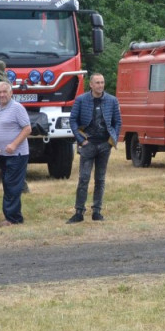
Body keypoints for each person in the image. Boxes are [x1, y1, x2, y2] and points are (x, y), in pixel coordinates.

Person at [67, 73, 121, 224]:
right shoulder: (81, 100)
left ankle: (97, 211)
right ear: (91, 84)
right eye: (97, 82)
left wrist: (113, 140)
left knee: (100, 179)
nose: (100, 85)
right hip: (88, 143)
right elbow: (73, 120)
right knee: (83, 178)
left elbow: (117, 122)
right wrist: (80, 140)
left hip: (105, 144)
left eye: (102, 82)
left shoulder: (112, 100)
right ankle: (79, 212)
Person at [0, 81, 31, 226]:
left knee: (12, 185)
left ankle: (12, 219)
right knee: (8, 185)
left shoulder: (16, 108)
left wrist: (14, 144)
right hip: (3, 154)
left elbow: (27, 129)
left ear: (11, 93)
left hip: (16, 154)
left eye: (4, 92)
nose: (2, 95)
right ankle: (13, 216)